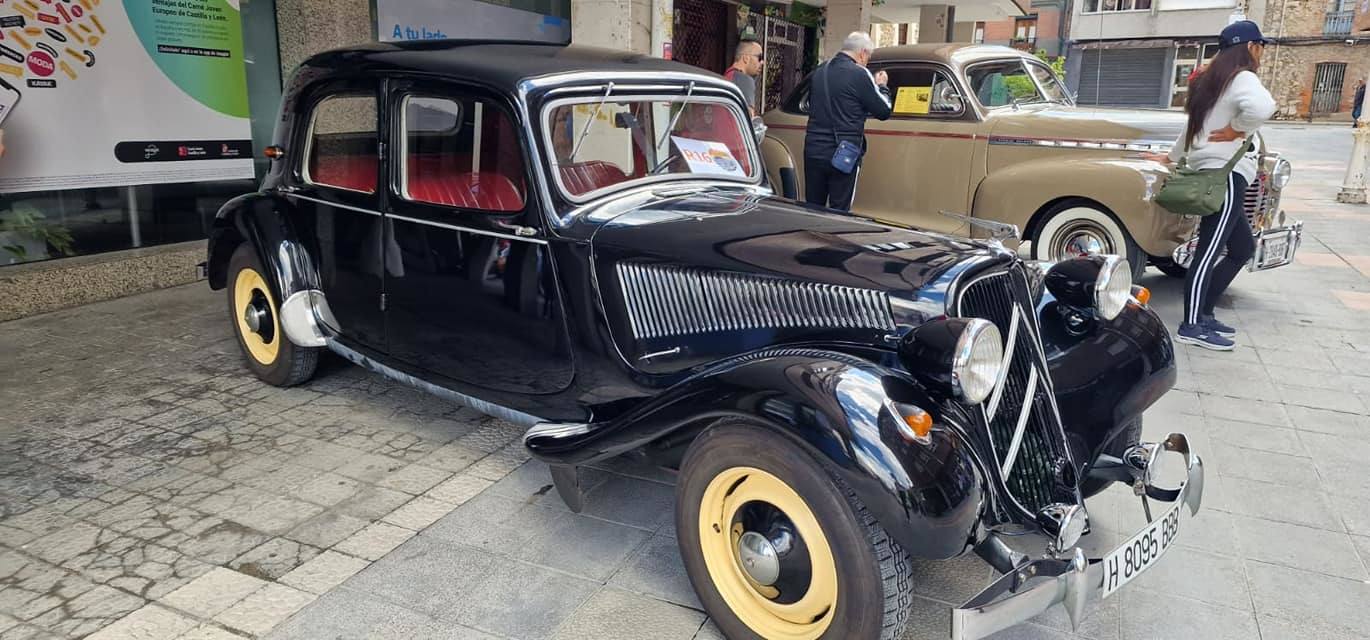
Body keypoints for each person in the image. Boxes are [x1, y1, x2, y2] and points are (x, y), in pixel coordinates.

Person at [1163, 20, 1277, 351]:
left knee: (1242, 248)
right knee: (1209, 249)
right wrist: (1237, 130)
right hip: (1224, 176)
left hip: (1217, 173)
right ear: (1252, 47)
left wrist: (1171, 158)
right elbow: (1263, 107)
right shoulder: (1242, 78)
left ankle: (1206, 311)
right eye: (1261, 47)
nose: (1262, 53)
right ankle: (1191, 324)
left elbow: (1192, 130)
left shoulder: (1212, 82)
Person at [803, 32, 892, 212]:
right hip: (842, 152)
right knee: (839, 210)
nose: (867, 61)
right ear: (862, 53)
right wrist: (882, 86)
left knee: (813, 208)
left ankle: (811, 238)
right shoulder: (860, 73)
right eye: (868, 57)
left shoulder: (820, 71)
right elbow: (883, 111)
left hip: (813, 149)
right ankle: (834, 239)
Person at [725, 40, 764, 117]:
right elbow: (749, 118)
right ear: (746, 58)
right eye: (759, 57)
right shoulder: (745, 80)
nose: (762, 62)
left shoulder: (728, 75)